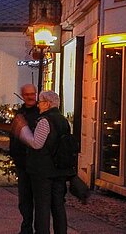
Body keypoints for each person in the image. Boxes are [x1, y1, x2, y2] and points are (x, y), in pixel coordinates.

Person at [12, 91, 75, 234]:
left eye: (40, 102)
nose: (38, 105)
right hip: (60, 169)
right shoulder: (63, 120)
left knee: (42, 207)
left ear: (47, 103)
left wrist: (23, 130)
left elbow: (36, 144)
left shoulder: (45, 121)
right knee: (58, 205)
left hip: (43, 171)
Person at [9, 84, 40, 234]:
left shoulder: (41, 113)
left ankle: (40, 228)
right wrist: (15, 156)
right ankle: (26, 227)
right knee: (24, 199)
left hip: (38, 164)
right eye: (27, 94)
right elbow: (13, 137)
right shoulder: (19, 114)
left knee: (39, 199)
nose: (30, 96)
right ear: (22, 95)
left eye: (32, 94)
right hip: (23, 164)